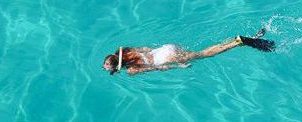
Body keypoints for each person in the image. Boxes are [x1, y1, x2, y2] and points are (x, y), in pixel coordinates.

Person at [102, 28, 275, 76]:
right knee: (203, 51)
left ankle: (238, 42)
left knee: (206, 54)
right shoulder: (127, 51)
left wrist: (179, 66)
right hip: (166, 48)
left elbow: (157, 68)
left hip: (167, 58)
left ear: (117, 68)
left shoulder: (132, 71)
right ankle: (246, 39)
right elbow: (147, 50)